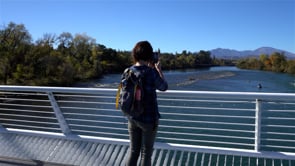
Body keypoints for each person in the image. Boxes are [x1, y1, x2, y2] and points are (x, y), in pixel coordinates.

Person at [125, 41, 168, 166]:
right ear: (149, 55)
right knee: (146, 153)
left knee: (133, 151)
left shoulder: (128, 71)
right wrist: (158, 70)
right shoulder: (150, 72)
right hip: (148, 119)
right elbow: (164, 86)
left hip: (132, 117)